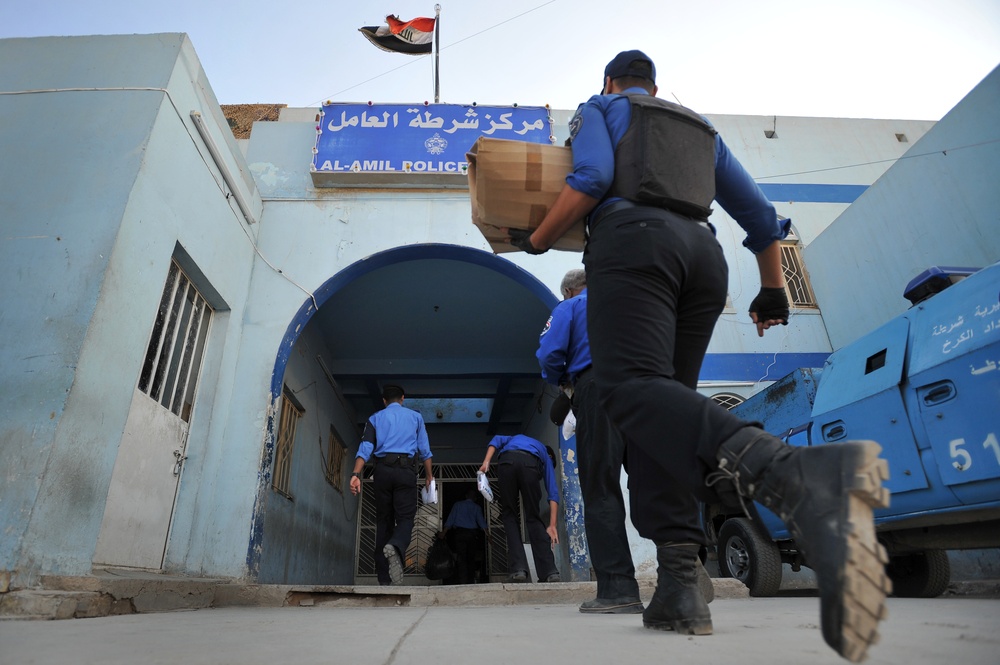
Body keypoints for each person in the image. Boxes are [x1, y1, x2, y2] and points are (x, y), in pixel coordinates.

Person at [506, 50, 890, 663]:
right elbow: (762, 220)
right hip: (703, 260)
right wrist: (772, 290)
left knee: (629, 388)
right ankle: (682, 586)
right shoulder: (698, 129)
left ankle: (792, 473)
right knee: (665, 418)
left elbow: (591, 179)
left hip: (634, 247)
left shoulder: (600, 108)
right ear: (655, 86)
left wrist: (537, 238)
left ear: (611, 82)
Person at [536, 269, 644, 613]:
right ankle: (681, 567)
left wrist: (563, 383)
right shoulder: (626, 303)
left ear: (569, 290)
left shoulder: (569, 307)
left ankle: (618, 589)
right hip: (647, 387)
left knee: (600, 486)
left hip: (600, 388)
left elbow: (548, 355)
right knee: (652, 481)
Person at [350, 384, 434, 586]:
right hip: (405, 472)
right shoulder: (415, 417)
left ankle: (384, 579)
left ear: (384, 401)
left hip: (382, 472)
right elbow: (425, 450)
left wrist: (355, 474)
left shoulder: (375, 418)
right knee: (406, 518)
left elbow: (366, 447)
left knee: (384, 522)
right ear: (403, 398)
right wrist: (429, 476)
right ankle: (396, 546)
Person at [479, 434, 561, 583]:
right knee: (533, 517)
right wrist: (552, 525)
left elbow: (496, 440)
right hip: (530, 465)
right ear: (550, 457)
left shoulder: (513, 438)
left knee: (509, 515)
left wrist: (486, 462)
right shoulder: (545, 455)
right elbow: (553, 492)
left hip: (506, 463)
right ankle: (550, 572)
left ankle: (518, 570)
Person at [441, 488, 488, 584]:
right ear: (475, 498)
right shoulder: (476, 507)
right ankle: (470, 580)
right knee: (471, 558)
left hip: (460, 534)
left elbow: (450, 520)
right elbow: (482, 524)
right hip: (472, 535)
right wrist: (489, 536)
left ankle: (463, 580)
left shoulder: (457, 505)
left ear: (466, 496)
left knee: (461, 557)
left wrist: (443, 533)